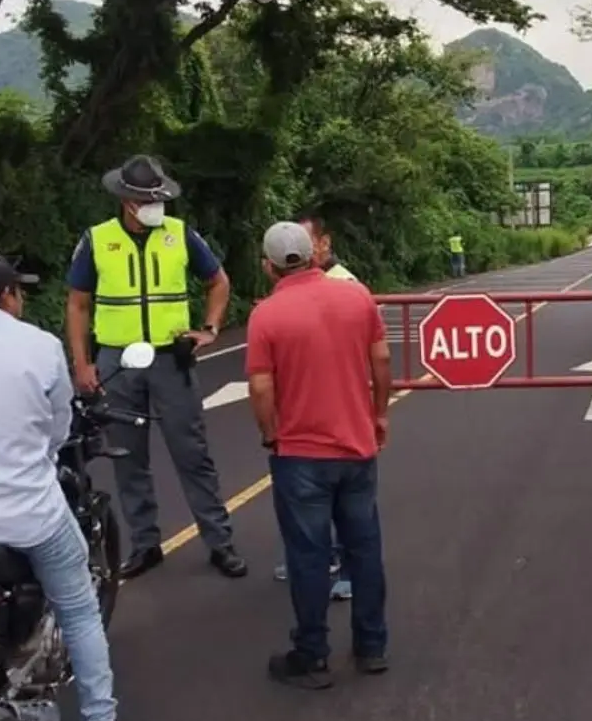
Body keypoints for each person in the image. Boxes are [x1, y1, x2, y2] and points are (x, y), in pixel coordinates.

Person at [0, 251, 139, 721]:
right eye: (19, 291)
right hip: (28, 514)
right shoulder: (39, 345)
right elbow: (57, 430)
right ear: (8, 295)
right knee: (77, 603)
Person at [65, 154, 247, 580]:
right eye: (148, 199)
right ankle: (145, 544)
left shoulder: (180, 235)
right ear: (128, 202)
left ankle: (220, 542)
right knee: (129, 457)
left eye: (159, 198)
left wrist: (210, 327)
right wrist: (82, 363)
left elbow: (218, 281)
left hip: (171, 357)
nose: (156, 206)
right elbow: (77, 303)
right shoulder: (97, 240)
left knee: (192, 453)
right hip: (117, 360)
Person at [246, 221, 392, 689]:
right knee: (364, 548)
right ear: (315, 254)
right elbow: (382, 359)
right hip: (357, 447)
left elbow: (261, 387)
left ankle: (312, 655)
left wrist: (271, 434)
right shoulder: (357, 296)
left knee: (308, 556)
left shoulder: (267, 315)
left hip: (300, 455)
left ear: (268, 266)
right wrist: (379, 415)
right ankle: (372, 647)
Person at [265, 209, 361, 602]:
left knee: (346, 508)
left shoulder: (347, 286)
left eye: (305, 243)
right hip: (299, 419)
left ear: (323, 244)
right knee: (304, 503)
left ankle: (342, 570)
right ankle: (314, 559)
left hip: (337, 420)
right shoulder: (286, 292)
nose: (297, 252)